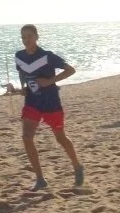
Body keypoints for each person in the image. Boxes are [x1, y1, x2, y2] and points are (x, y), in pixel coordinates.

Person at [15, 24, 84, 191]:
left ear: (37, 37)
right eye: (23, 37)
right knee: (26, 137)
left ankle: (77, 165)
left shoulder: (47, 56)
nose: (26, 40)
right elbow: (23, 74)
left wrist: (49, 81)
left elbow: (70, 70)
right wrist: (23, 88)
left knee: (60, 138)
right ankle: (40, 179)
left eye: (29, 36)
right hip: (32, 102)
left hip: (51, 101)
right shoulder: (19, 56)